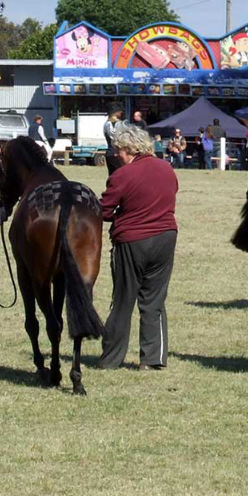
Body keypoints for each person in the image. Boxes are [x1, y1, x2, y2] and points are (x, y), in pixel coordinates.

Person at [98, 125, 178, 371]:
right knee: (154, 299)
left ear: (128, 149)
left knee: (123, 299)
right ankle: (153, 359)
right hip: (166, 236)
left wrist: (122, 213)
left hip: (132, 240)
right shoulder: (167, 168)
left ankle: (112, 358)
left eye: (118, 151)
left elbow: (104, 211)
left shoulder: (122, 175)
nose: (117, 156)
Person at [103, 102, 124, 176]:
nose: (121, 112)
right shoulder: (110, 124)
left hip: (111, 153)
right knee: (120, 174)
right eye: (119, 111)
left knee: (113, 175)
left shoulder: (109, 124)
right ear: (115, 112)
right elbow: (115, 137)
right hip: (114, 153)